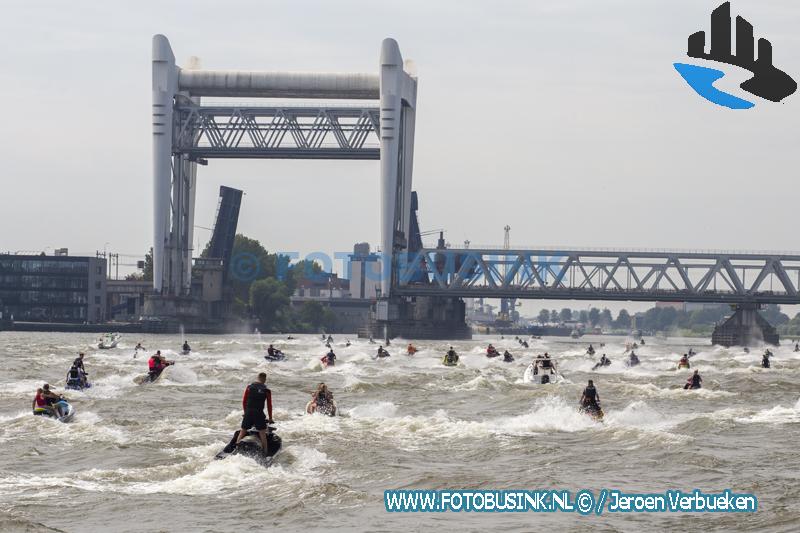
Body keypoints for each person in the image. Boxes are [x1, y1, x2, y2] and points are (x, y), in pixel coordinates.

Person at [236, 372, 273, 454]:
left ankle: (236, 449)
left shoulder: (249, 387)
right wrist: (270, 418)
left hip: (249, 412)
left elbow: (244, 401)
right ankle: (265, 453)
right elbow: (269, 405)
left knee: (243, 431)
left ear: (258, 378)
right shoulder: (267, 391)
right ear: (264, 379)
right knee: (263, 434)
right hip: (259, 413)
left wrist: (245, 412)